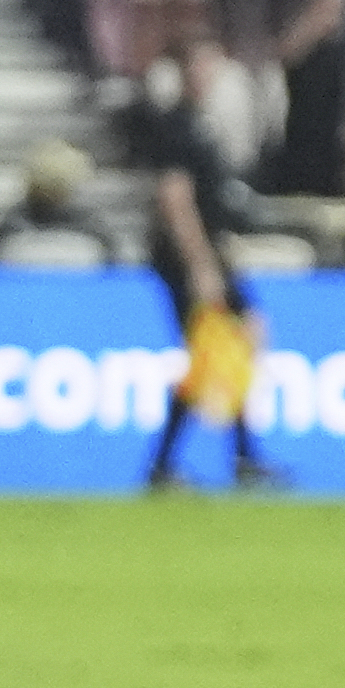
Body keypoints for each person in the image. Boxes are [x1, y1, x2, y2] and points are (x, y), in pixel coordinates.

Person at [134, 43, 287, 492]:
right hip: (188, 260)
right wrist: (200, 264)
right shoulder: (176, 127)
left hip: (212, 254)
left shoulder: (199, 125)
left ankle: (239, 456)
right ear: (184, 70)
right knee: (212, 353)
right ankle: (171, 465)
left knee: (240, 339)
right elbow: (174, 199)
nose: (207, 74)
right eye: (200, 65)